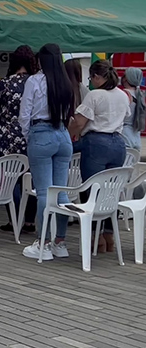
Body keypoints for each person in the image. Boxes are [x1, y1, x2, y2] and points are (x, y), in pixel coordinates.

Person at [19, 43, 74, 261]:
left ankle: (43, 243)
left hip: (41, 133)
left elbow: (24, 114)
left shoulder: (34, 81)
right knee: (61, 192)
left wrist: (29, 135)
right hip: (63, 134)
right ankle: (60, 242)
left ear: (42, 60)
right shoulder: (66, 82)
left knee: (43, 192)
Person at [69, 59, 130, 253]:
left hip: (96, 143)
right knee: (111, 191)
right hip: (118, 144)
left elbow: (79, 123)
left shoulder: (94, 95)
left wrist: (68, 134)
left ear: (96, 77)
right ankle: (109, 235)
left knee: (92, 191)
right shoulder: (122, 95)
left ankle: (96, 237)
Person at [0, 45, 38, 234]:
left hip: (7, 137)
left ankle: (14, 220)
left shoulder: (3, 84)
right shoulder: (35, 83)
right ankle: (30, 221)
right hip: (31, 136)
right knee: (31, 179)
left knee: (10, 180)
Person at [120, 67, 145, 152]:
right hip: (136, 136)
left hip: (124, 135)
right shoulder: (140, 95)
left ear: (126, 78)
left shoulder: (123, 94)